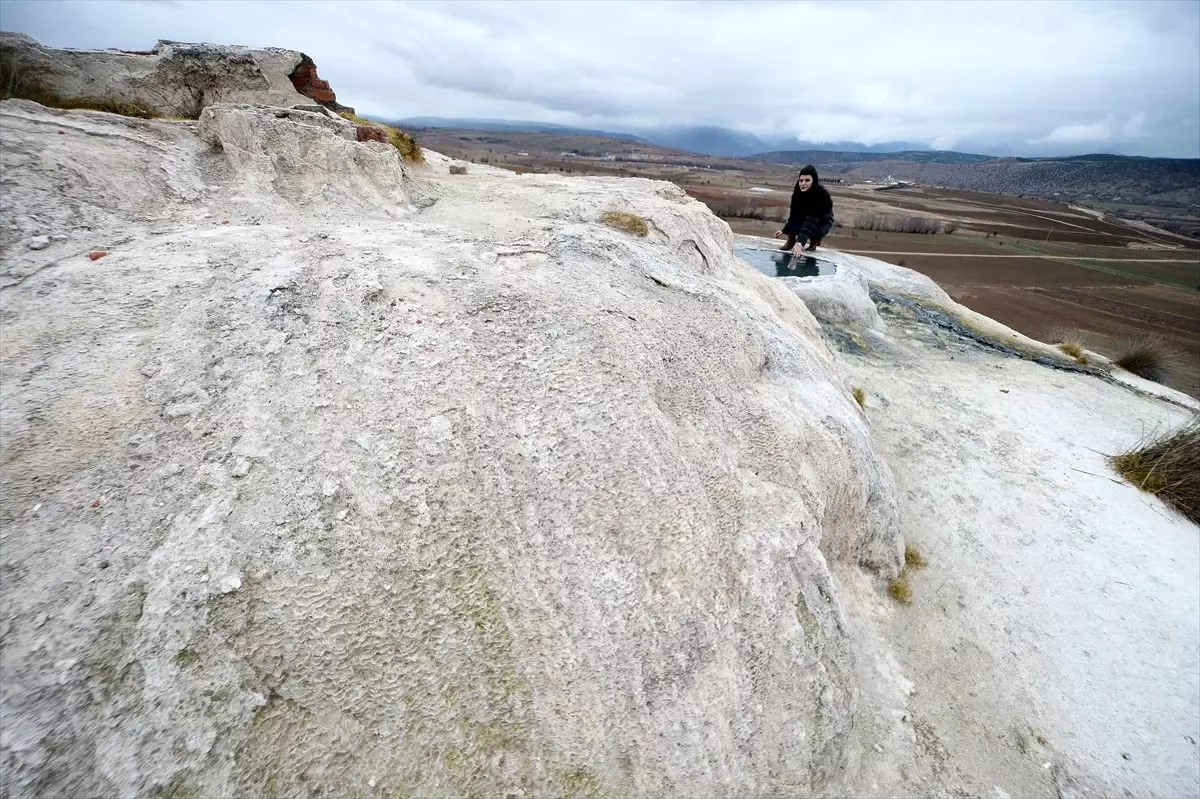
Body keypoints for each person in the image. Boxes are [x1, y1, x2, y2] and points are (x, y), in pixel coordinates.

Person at [774, 165, 834, 253]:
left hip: (821, 223)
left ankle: (814, 241)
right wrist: (785, 230)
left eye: (807, 180)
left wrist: (800, 243)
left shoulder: (821, 195)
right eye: (801, 180)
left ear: (814, 181)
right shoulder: (797, 193)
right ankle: (791, 241)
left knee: (813, 229)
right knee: (795, 223)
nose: (803, 183)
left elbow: (811, 221)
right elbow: (793, 215)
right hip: (806, 219)